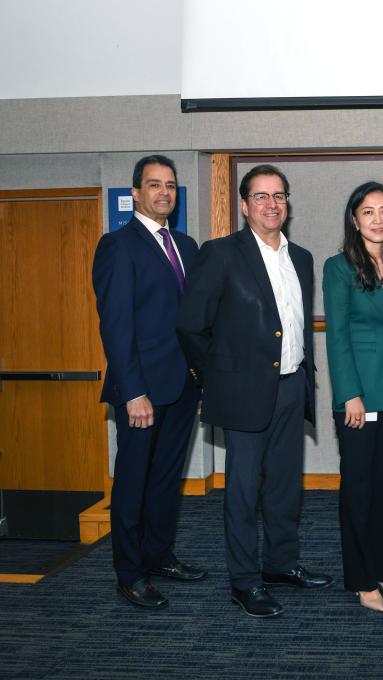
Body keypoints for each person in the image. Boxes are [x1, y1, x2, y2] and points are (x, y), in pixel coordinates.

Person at [177, 164, 332, 618]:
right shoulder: (221, 253)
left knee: (285, 487)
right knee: (242, 492)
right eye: (261, 197)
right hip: (242, 393)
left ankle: (280, 566)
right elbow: (191, 325)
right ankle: (244, 581)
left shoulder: (300, 257)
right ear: (244, 206)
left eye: (279, 196)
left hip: (291, 387)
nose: (271, 204)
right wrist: (216, 379)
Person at [92, 154, 205, 609]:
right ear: (135, 192)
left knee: (165, 479)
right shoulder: (118, 245)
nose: (164, 192)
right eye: (154, 184)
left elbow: (194, 321)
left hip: (182, 386)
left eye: (171, 185)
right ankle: (130, 573)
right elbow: (115, 326)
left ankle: (159, 556)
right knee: (134, 482)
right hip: (141, 390)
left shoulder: (187, 246)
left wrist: (202, 380)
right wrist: (133, 390)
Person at [323, 181, 383, 611]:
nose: (378, 219)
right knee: (358, 489)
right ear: (354, 219)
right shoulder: (338, 267)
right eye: (369, 212)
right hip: (361, 397)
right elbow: (337, 336)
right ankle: (360, 579)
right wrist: (350, 395)